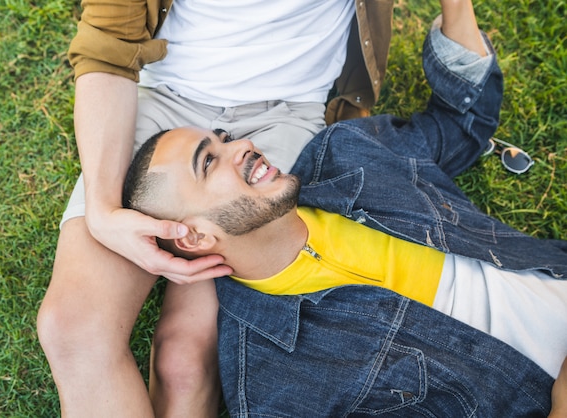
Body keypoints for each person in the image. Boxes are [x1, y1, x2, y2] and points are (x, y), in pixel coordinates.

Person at [122, 0, 567, 414]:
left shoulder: (346, 153)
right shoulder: (276, 386)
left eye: (224, 138)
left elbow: (463, 125)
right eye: (208, 161)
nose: (241, 146)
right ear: (195, 236)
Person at [36, 0, 393, 416]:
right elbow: (108, 39)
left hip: (287, 114)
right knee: (73, 329)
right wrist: (101, 211)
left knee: (185, 361)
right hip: (165, 105)